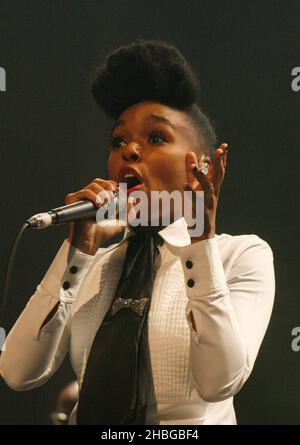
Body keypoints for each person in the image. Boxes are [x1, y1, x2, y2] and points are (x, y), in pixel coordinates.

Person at [0, 39, 275, 425]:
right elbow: (17, 372)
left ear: (206, 168)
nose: (129, 150)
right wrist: (76, 252)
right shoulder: (94, 265)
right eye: (118, 141)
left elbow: (219, 381)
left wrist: (200, 240)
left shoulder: (242, 255)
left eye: (156, 137)